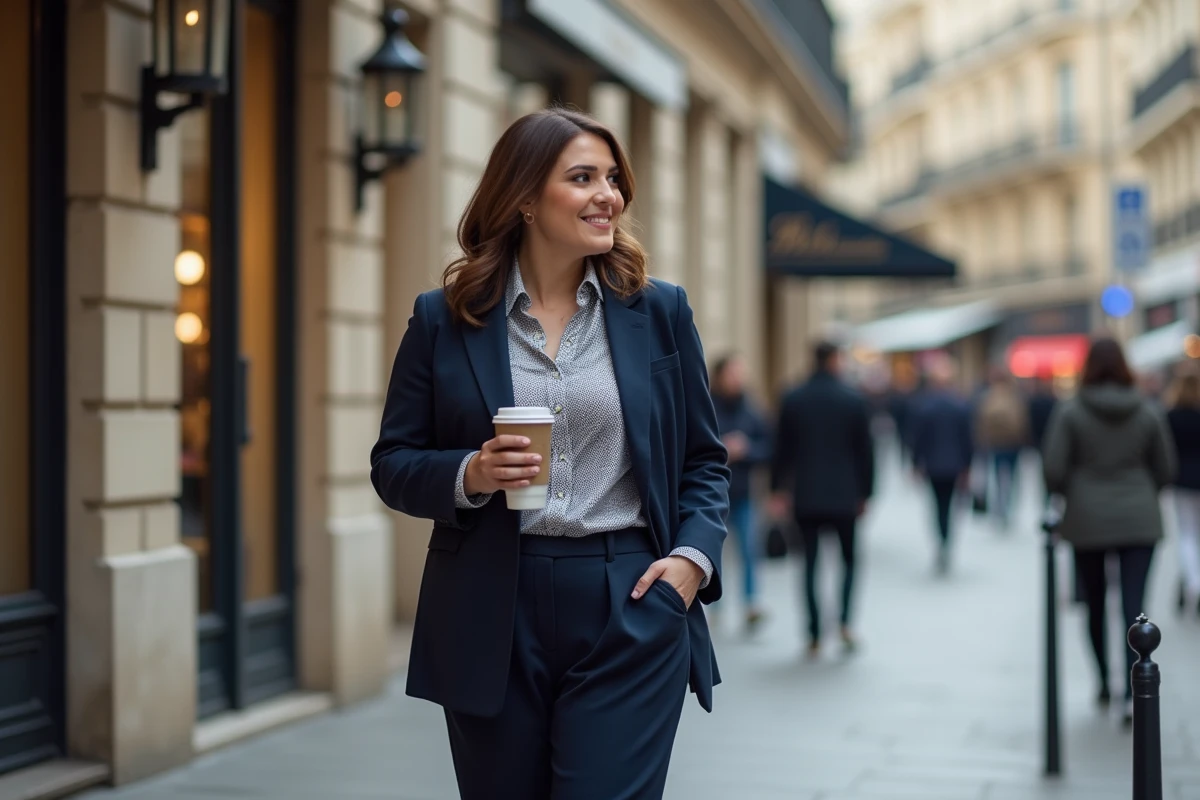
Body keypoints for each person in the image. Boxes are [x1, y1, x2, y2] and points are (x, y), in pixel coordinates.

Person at [369, 108, 730, 799]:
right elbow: (393, 462)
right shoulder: (444, 319)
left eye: (613, 179)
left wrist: (690, 562)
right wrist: (469, 473)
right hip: (489, 604)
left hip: (627, 595)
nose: (609, 196)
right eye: (583, 178)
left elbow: (703, 462)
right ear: (526, 198)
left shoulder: (659, 312)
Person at [1042, 337, 1176, 724]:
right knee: (1135, 607)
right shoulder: (1147, 411)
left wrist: (1075, 491)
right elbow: (1165, 469)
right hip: (1139, 517)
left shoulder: (1071, 412)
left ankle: (1103, 679)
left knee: (1095, 603)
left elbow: (1053, 468)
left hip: (1087, 519)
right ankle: (1134, 691)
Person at [770, 341, 875, 658]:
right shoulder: (853, 399)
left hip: (807, 495)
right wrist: (866, 492)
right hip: (845, 496)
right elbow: (865, 452)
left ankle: (814, 632)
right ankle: (844, 623)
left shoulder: (794, 397)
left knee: (809, 564)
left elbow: (782, 450)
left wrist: (777, 490)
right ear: (835, 360)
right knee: (849, 561)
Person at [710, 353, 772, 631]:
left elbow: (768, 448)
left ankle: (750, 603)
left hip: (745, 491)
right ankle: (714, 605)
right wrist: (722, 448)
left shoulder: (752, 408)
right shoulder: (707, 406)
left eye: (741, 372)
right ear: (720, 375)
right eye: (733, 373)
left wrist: (747, 450)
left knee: (749, 549)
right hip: (713, 494)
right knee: (713, 551)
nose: (738, 378)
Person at [910, 357, 974, 574]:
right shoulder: (959, 406)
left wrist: (915, 464)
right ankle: (945, 540)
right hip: (954, 465)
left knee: (938, 506)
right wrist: (968, 466)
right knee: (948, 506)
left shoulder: (925, 407)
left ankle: (942, 539)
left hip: (933, 465)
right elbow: (968, 440)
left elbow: (917, 439)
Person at [974, 369, 1030, 529]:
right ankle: (1007, 507)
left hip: (995, 443)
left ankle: (999, 507)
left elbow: (980, 422)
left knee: (998, 476)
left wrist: (981, 441)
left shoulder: (987, 396)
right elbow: (1023, 421)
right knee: (1012, 477)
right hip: (1013, 443)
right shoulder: (1015, 397)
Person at [1166, 371, 1200, 617]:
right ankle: (1193, 583)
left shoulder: (1172, 416)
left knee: (1188, 534)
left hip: (1182, 482)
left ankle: (1192, 584)